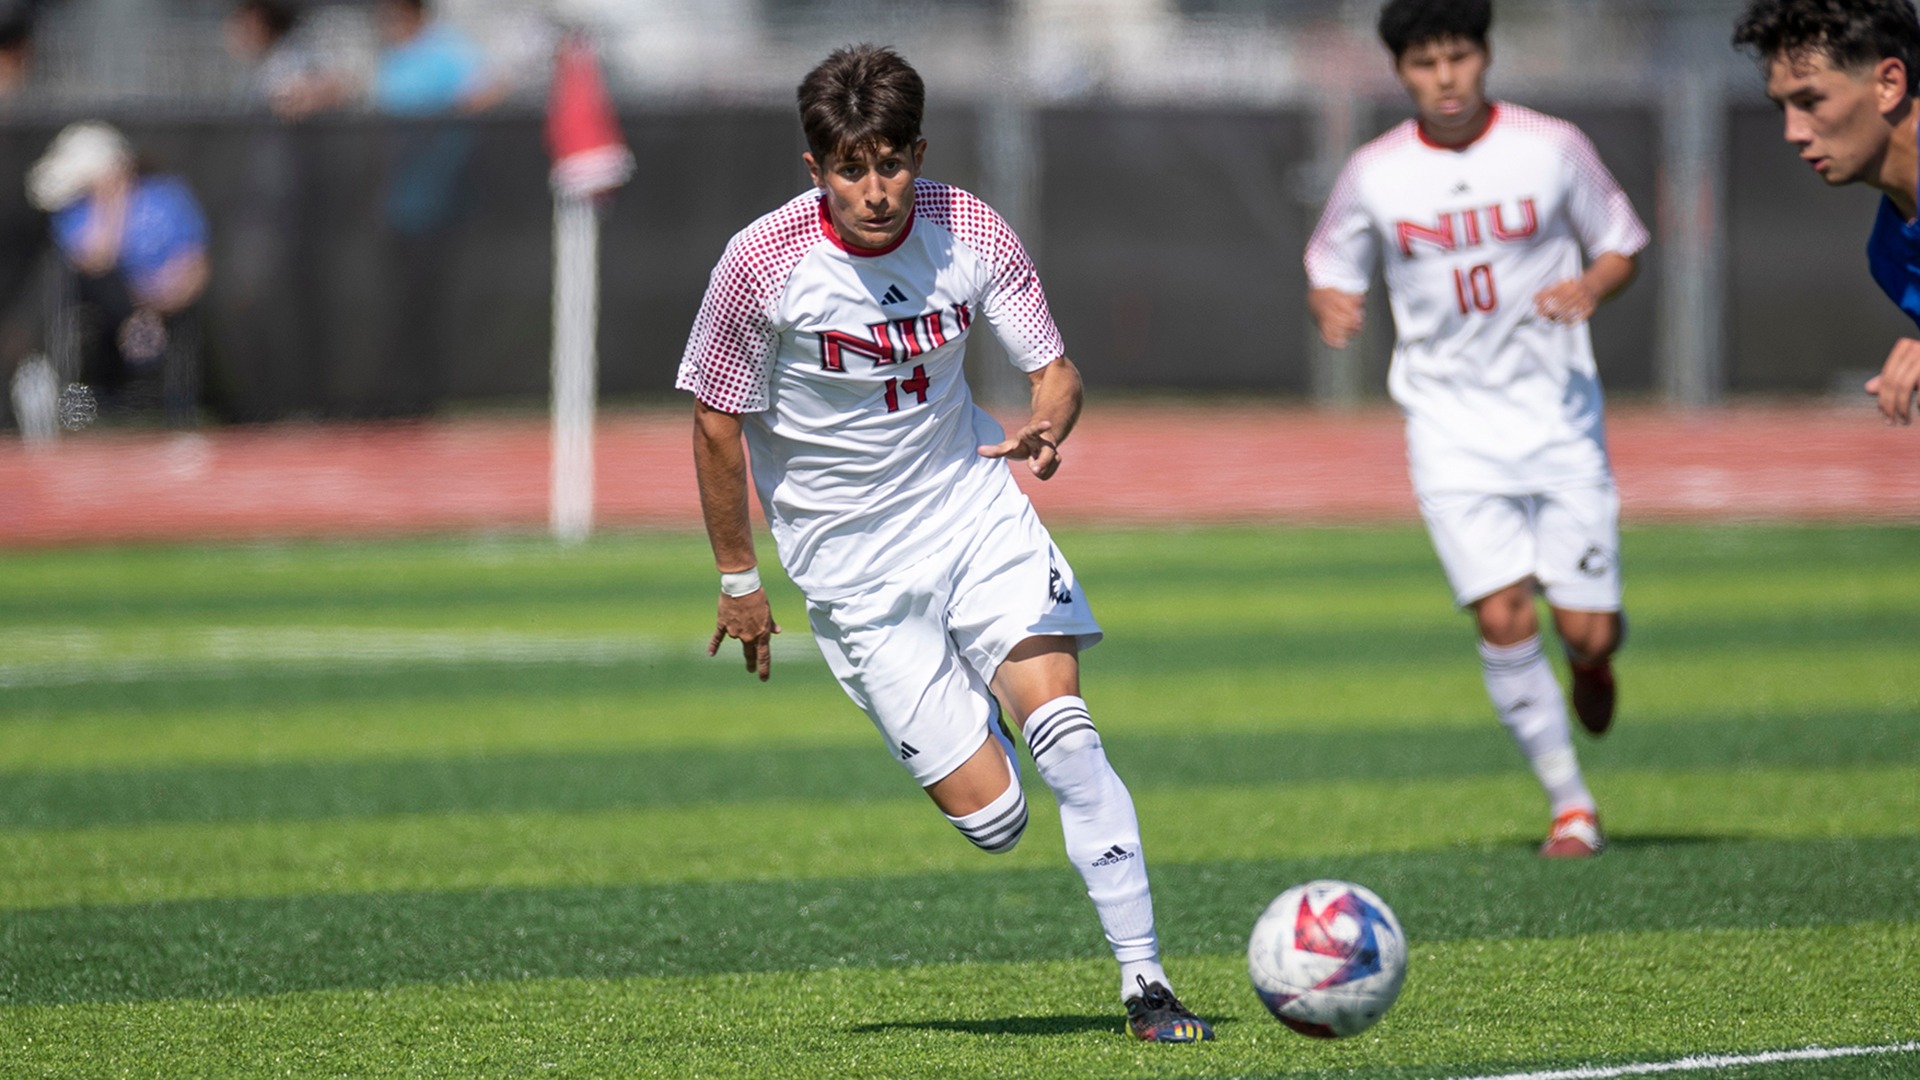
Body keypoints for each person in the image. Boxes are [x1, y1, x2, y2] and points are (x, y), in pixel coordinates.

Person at [677, 44, 1213, 1042]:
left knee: (1070, 738)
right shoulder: (761, 265)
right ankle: (976, 713)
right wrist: (739, 579)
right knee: (996, 821)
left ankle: (1147, 984)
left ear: (918, 154)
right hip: (853, 570)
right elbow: (715, 423)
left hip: (972, 511)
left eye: (891, 163)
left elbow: (1055, 372)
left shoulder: (969, 227)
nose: (875, 190)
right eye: (851, 169)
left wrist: (1049, 423)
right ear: (816, 169)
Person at [1303, 0, 1648, 858]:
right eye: (1424, 64)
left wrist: (1593, 285)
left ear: (1485, 56)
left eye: (1458, 56)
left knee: (1588, 630)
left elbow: (1621, 241)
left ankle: (1593, 661)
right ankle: (1571, 806)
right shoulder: (1376, 172)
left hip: (1559, 416)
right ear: (1400, 73)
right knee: (1500, 614)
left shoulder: (1551, 146)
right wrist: (1330, 300)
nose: (1445, 77)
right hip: (1448, 426)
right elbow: (1329, 261)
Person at [1734, 0, 1920, 426]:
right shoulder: (1890, 253)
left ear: (1889, 84)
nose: (1792, 132)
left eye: (1810, 101)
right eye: (1783, 107)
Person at [26, 121, 210, 423]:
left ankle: (174, 405)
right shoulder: (74, 212)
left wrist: (165, 299)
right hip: (110, 313)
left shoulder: (166, 197)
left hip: (169, 309)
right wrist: (110, 202)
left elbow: (195, 263)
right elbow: (96, 259)